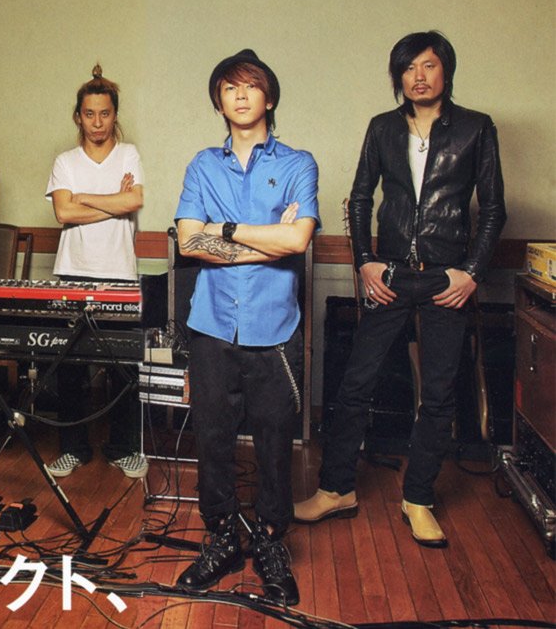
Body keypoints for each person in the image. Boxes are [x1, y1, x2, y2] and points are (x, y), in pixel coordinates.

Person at [294, 31, 506, 548]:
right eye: (409, 68)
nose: (418, 76)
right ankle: (336, 489)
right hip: (389, 274)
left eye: (428, 65)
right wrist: (365, 262)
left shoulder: (476, 128)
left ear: (445, 71)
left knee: (438, 394)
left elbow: (494, 209)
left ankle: (418, 499)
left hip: (446, 278)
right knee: (354, 385)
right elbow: (360, 197)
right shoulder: (383, 128)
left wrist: (471, 272)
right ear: (398, 77)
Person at [173, 49, 318, 604]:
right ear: (218, 102)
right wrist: (267, 240)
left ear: (269, 98)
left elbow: (298, 239)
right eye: (229, 87)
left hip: (274, 328)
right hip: (211, 326)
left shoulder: (299, 163)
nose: (239, 94)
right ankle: (221, 540)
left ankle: (271, 543)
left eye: (251, 86)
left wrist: (226, 229)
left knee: (275, 440)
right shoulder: (203, 165)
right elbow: (189, 241)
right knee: (212, 438)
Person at [43, 64, 148, 479]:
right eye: (90, 114)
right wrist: (110, 201)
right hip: (72, 271)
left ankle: (123, 448)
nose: (98, 122)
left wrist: (84, 197)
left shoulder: (129, 154)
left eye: (105, 113)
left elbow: (133, 202)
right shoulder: (65, 160)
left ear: (114, 114)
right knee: (70, 367)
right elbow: (63, 213)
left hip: (120, 272)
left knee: (124, 367)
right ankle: (73, 449)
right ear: (78, 116)